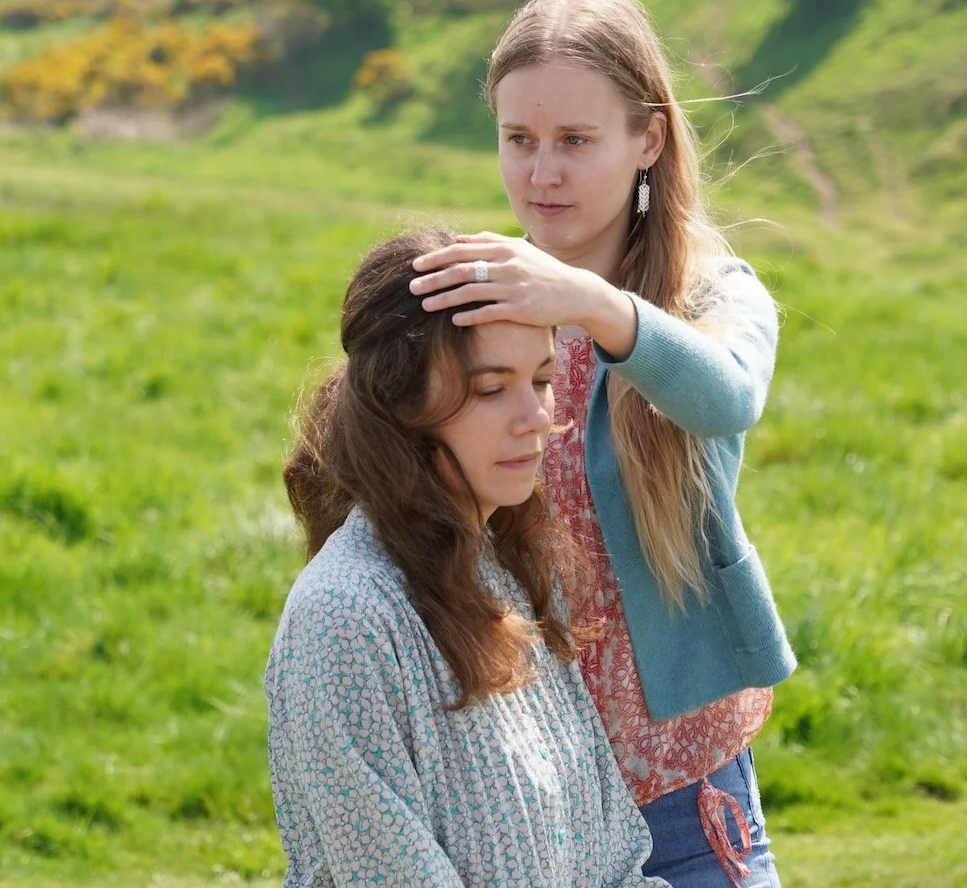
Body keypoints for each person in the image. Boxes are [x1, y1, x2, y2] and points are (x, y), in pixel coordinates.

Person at [410, 0, 794, 887]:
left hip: (680, 795)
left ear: (647, 138)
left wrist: (588, 302)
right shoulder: (481, 295)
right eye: (519, 139)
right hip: (512, 788)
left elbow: (727, 396)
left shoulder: (714, 291)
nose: (541, 173)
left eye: (575, 141)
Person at [266, 229, 667, 888]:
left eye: (541, 380)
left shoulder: (512, 576)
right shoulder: (344, 616)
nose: (535, 417)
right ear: (400, 406)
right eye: (489, 389)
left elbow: (614, 858)